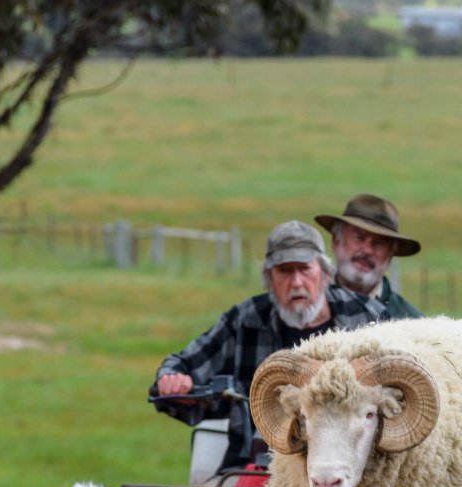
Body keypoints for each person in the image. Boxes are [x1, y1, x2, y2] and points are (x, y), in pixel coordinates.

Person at [152, 216, 419, 471]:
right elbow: (181, 365)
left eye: (304, 269)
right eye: (285, 271)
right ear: (269, 280)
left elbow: (406, 391)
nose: (297, 282)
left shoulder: (368, 319)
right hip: (252, 470)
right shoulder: (244, 321)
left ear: (325, 274)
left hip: (344, 473)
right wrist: (173, 379)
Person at [315, 192, 422, 319]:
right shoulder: (306, 307)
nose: (367, 250)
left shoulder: (409, 322)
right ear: (336, 241)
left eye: (379, 243)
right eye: (359, 238)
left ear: (390, 255)